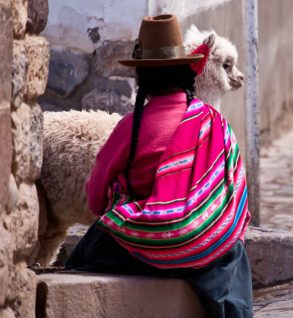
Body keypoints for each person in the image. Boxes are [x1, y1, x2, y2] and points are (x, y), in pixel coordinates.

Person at [65, 14, 253, 318]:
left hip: (140, 250)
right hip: (206, 252)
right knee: (232, 250)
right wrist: (196, 230)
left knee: (89, 249)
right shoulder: (214, 124)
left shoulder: (129, 128)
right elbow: (235, 201)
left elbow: (97, 199)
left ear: (142, 78)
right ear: (186, 71)